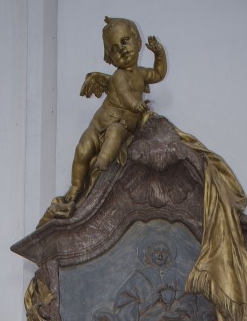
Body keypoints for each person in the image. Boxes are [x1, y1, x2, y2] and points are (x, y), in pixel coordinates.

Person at [43, 18, 166, 221]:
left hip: (120, 126)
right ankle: (75, 187)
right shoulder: (119, 76)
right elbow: (126, 96)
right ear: (110, 58)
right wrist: (136, 105)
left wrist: (159, 53)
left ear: (136, 41)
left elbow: (159, 73)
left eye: (125, 41)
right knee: (82, 150)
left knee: (115, 134)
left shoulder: (142, 74)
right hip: (98, 125)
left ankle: (102, 162)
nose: (123, 50)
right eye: (115, 49)